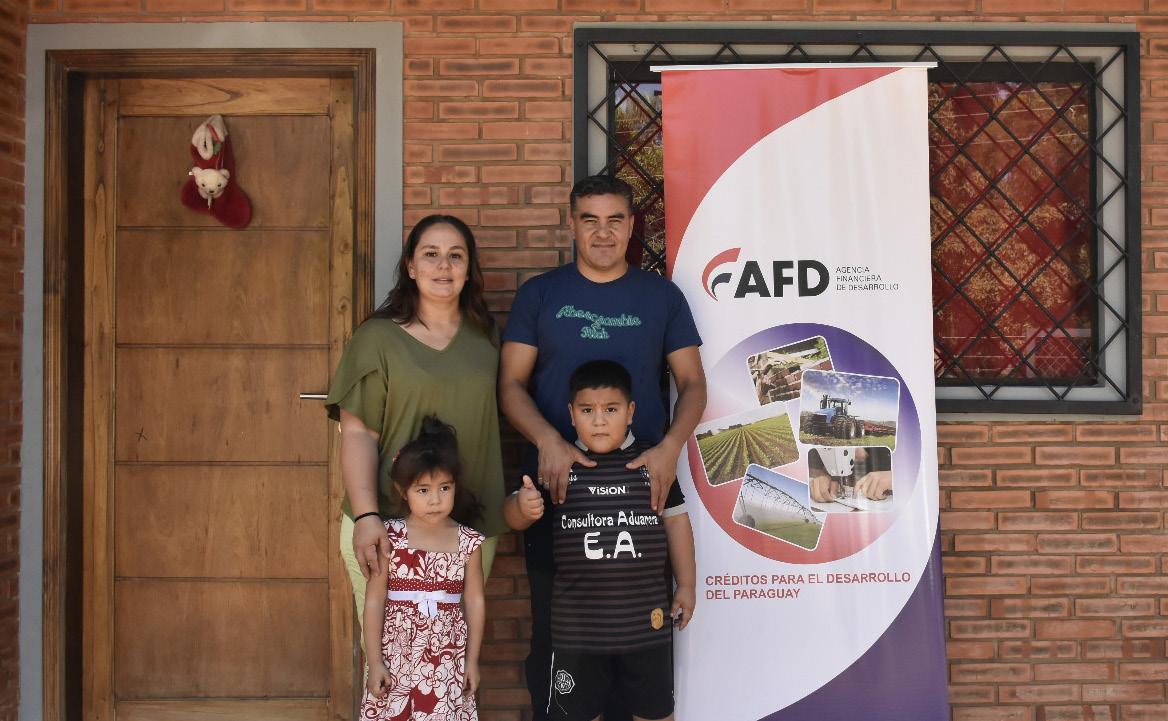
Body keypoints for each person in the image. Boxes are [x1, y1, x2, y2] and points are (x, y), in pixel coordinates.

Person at [499, 175, 706, 721]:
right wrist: (547, 439)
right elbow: (510, 385)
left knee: (639, 640)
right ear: (571, 224)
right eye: (589, 219)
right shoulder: (540, 294)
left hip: (640, 494)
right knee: (560, 642)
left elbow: (693, 384)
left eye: (615, 219)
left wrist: (669, 448)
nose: (603, 232)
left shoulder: (661, 296)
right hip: (557, 493)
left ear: (632, 226)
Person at [326, 214, 506, 644]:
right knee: (390, 663)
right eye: (431, 254)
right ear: (410, 265)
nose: (444, 265)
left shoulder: (486, 337)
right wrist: (367, 516)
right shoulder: (377, 338)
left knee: (452, 657)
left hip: (466, 526)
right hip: (389, 522)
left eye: (456, 256)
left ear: (469, 268)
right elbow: (357, 434)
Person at [503, 360, 696, 721]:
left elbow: (676, 523)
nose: (599, 420)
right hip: (577, 634)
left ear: (630, 412)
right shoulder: (557, 464)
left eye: (611, 409)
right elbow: (512, 516)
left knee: (655, 714)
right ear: (571, 414)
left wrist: (686, 584)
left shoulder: (652, 463)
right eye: (587, 410)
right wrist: (522, 507)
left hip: (645, 627)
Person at [361, 416, 485, 721]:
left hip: (446, 661)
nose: (435, 500)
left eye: (444, 488)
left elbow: (474, 601)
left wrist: (471, 661)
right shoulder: (389, 537)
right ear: (402, 491)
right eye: (423, 490)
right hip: (396, 657)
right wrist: (374, 662)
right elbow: (374, 600)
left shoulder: (468, 542)